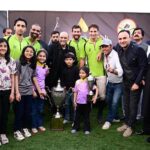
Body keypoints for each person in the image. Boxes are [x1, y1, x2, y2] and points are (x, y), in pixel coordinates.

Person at [116, 30, 147, 137]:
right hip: (125, 82)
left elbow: (144, 67)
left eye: (125, 38)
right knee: (126, 105)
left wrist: (137, 82)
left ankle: (131, 127)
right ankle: (127, 123)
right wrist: (100, 52)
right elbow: (108, 48)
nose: (122, 40)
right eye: (120, 39)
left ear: (130, 38)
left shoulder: (139, 50)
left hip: (135, 83)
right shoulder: (118, 48)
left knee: (133, 106)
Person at [13, 45, 42, 141]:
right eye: (27, 51)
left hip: (29, 92)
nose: (29, 53)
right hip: (20, 91)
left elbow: (32, 78)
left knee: (27, 112)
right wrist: (17, 92)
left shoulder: (33, 64)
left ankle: (24, 128)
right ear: (23, 52)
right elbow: (16, 77)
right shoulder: (18, 62)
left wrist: (35, 90)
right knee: (19, 112)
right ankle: (17, 130)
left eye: (31, 52)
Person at [80, 24, 106, 124]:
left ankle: (99, 114)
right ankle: (85, 114)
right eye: (91, 31)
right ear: (88, 32)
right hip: (90, 74)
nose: (93, 33)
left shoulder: (103, 42)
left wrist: (100, 51)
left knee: (102, 96)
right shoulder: (85, 44)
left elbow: (109, 47)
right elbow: (82, 59)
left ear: (98, 32)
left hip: (101, 74)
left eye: (95, 31)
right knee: (87, 95)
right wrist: (81, 73)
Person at [101, 38, 123, 130]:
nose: (104, 48)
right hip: (110, 82)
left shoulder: (115, 55)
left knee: (114, 103)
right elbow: (102, 51)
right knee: (108, 101)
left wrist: (113, 71)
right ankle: (116, 117)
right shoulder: (104, 54)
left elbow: (121, 71)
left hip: (118, 84)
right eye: (103, 46)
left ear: (111, 46)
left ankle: (108, 121)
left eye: (106, 46)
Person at [71, 66, 98, 135]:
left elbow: (96, 88)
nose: (81, 74)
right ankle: (75, 128)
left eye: (83, 73)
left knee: (86, 116)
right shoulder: (77, 82)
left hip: (87, 102)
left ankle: (86, 129)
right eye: (80, 73)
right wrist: (74, 101)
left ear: (87, 74)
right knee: (77, 116)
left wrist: (95, 97)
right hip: (78, 102)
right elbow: (75, 92)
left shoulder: (89, 81)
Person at [0, 38, 16, 145]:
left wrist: (12, 92)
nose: (3, 48)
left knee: (4, 113)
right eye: (0, 46)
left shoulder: (11, 60)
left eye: (5, 46)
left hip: (7, 91)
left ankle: (3, 133)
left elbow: (13, 77)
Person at [132, 27, 149, 120]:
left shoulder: (147, 47)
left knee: (141, 98)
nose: (136, 34)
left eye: (138, 33)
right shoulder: (130, 45)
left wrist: (143, 77)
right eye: (134, 33)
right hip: (131, 76)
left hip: (142, 78)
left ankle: (139, 115)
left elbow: (146, 64)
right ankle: (129, 115)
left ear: (142, 36)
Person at [32, 49, 49, 134]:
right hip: (35, 90)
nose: (42, 57)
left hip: (42, 91)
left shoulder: (45, 67)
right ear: (37, 56)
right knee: (34, 109)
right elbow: (31, 79)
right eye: (40, 56)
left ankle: (40, 124)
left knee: (40, 108)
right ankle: (33, 126)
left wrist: (43, 89)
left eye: (44, 56)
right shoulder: (34, 65)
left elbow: (43, 79)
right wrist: (33, 90)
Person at [61, 52, 79, 124]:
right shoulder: (63, 69)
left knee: (74, 105)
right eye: (67, 59)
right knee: (67, 104)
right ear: (65, 61)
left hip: (74, 91)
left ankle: (74, 120)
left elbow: (78, 80)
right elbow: (62, 79)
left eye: (70, 59)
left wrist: (74, 87)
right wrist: (64, 86)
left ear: (73, 60)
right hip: (66, 90)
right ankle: (67, 118)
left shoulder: (76, 69)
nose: (69, 61)